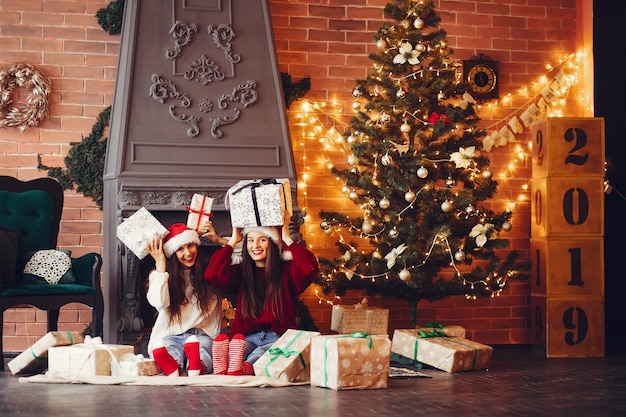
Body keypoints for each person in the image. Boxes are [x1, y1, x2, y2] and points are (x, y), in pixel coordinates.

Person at [203, 213, 320, 376]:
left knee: (261, 356)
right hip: (246, 337)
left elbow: (310, 267)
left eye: (262, 240)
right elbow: (212, 274)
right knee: (239, 354)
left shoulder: (286, 271)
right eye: (250, 240)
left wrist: (285, 237)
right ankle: (227, 365)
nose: (255, 245)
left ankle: (241, 367)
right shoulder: (242, 272)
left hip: (277, 336)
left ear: (271, 243)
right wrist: (233, 241)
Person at [145, 223, 223, 377]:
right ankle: (172, 366)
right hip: (170, 335)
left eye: (190, 245)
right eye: (180, 249)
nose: (187, 253)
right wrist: (160, 264)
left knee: (203, 349)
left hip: (202, 334)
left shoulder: (210, 271)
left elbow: (240, 257)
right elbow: (160, 303)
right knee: (168, 348)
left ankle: (197, 365)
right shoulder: (160, 276)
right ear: (172, 253)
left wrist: (219, 240)